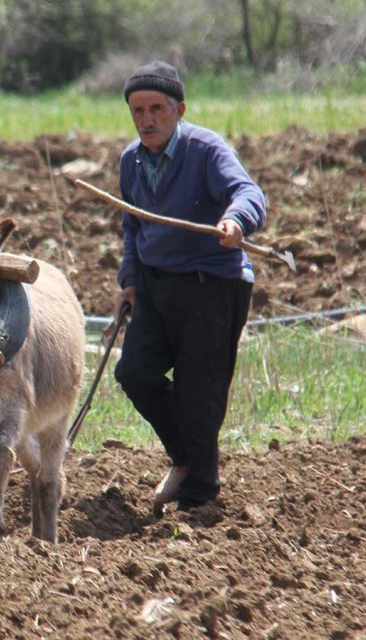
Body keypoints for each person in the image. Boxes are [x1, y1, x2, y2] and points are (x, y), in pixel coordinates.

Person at [110, 62, 266, 513]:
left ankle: (199, 494)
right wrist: (130, 282)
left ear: (178, 109)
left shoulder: (205, 149)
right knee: (134, 373)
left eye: (156, 108)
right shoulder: (130, 161)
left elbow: (249, 193)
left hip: (211, 283)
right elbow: (132, 229)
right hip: (157, 286)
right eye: (138, 110)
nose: (146, 119)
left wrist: (236, 220)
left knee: (200, 390)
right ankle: (186, 456)